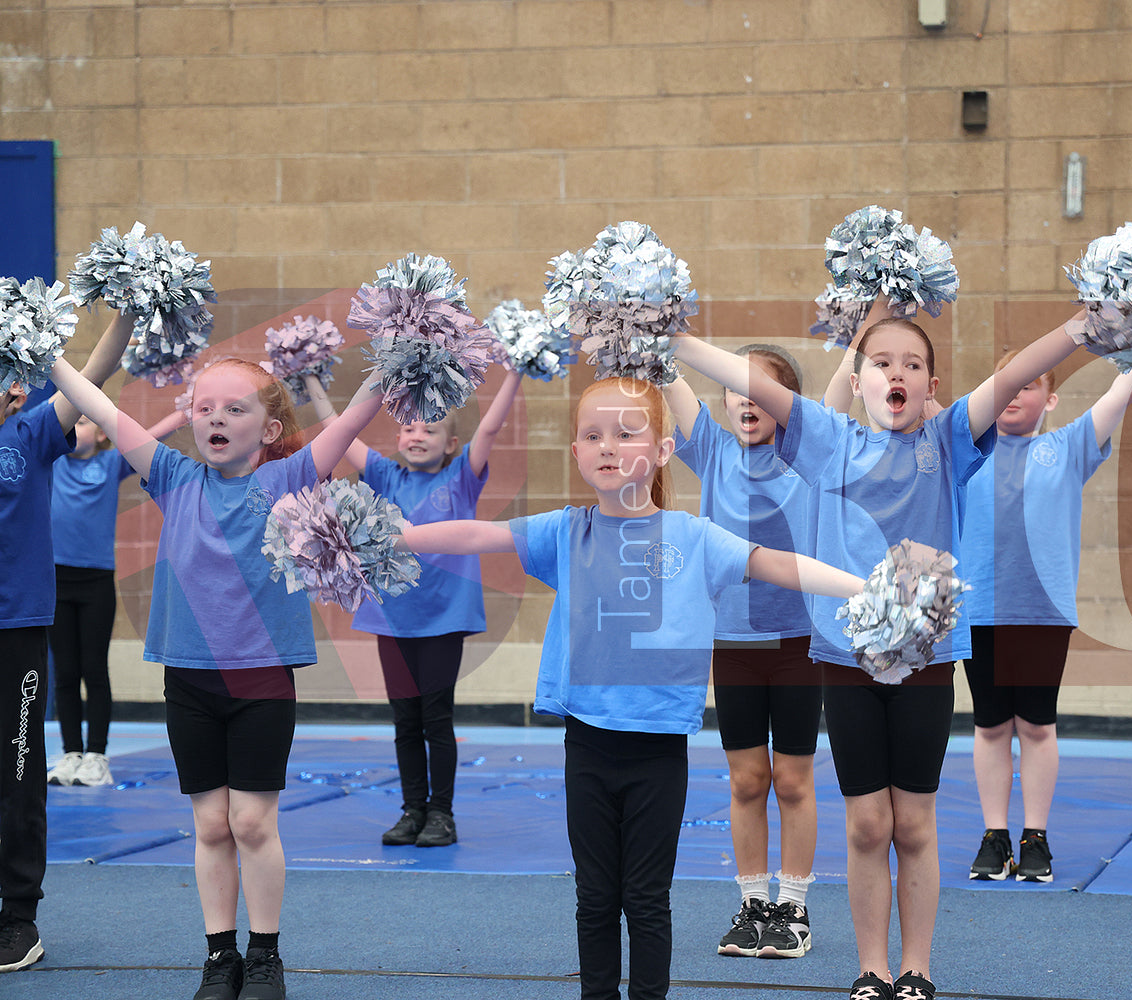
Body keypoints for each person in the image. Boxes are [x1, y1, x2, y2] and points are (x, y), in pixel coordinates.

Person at [402, 376, 865, 1000]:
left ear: (665, 450)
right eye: (592, 435)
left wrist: (867, 589)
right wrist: (390, 539)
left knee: (646, 899)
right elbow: (474, 535)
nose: (608, 447)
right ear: (575, 454)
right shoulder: (565, 532)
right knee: (594, 898)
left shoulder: (695, 538)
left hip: (659, 751)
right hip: (587, 744)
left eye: (626, 433)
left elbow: (776, 565)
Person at [674, 312, 1088, 1000]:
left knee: (914, 822)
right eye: (882, 362)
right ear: (859, 379)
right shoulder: (827, 440)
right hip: (847, 663)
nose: (897, 372)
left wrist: (1081, 327)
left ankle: (917, 968)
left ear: (931, 386)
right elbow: (753, 384)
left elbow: (1015, 373)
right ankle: (871, 967)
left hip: (926, 663)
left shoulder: (951, 439)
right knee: (868, 822)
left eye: (912, 364)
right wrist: (673, 341)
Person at [48, 355, 383, 1000]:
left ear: (269, 424)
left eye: (235, 409)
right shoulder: (171, 475)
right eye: (204, 409)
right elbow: (100, 407)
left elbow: (354, 417)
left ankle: (265, 956)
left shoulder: (290, 475)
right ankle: (218, 955)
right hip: (190, 680)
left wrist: (400, 351)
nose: (216, 420)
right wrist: (46, 354)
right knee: (209, 825)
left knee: (253, 823)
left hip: (261, 680)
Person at [961, 356, 1132, 883]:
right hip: (979, 609)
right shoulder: (961, 447)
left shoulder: (1067, 446)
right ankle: (994, 833)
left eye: (1027, 386)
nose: (1013, 395)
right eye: (1004, 385)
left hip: (1041, 614)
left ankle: (1035, 835)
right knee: (989, 726)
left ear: (1049, 400)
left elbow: (1124, 391)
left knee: (1035, 724)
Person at [309, 369, 520, 849]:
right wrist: (312, 382)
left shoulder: (462, 478)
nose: (417, 435)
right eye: (409, 428)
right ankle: (412, 810)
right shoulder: (384, 474)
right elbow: (338, 431)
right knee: (405, 718)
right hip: (393, 619)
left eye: (430, 429)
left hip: (443, 620)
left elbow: (488, 429)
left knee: (436, 717)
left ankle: (441, 815)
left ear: (451, 444)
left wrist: (515, 374)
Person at [664, 345, 821, 959]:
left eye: (764, 388)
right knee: (748, 778)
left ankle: (794, 907)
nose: (747, 397)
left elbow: (831, 394)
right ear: (723, 399)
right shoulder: (711, 450)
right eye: (736, 386)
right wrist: (644, 322)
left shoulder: (808, 456)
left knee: (794, 780)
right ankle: (754, 904)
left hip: (800, 645)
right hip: (732, 646)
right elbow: (668, 375)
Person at [0, 311, 131, 973]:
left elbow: (95, 372)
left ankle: (18, 917)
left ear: (11, 389)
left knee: (18, 773)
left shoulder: (29, 433)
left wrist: (133, 306)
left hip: (17, 628)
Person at [48, 408, 186, 788]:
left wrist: (180, 414)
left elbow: (145, 440)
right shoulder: (54, 463)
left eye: (83, 422)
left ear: (103, 434)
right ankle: (71, 753)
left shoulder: (110, 464)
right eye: (70, 424)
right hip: (56, 580)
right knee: (64, 672)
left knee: (93, 668)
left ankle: (97, 756)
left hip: (95, 582)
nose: (75, 429)